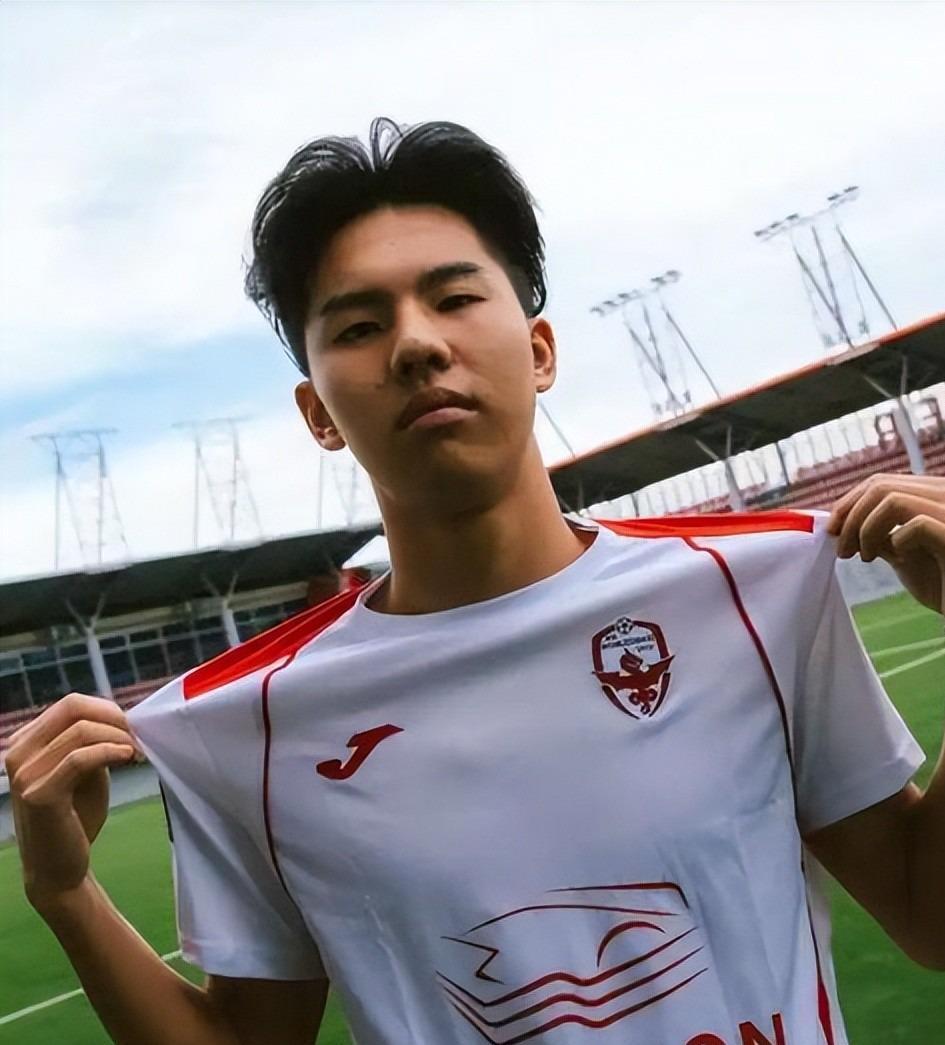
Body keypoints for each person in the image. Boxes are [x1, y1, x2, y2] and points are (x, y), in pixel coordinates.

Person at [7, 117, 945, 1045]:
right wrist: (66, 894)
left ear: (539, 351)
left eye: (453, 298)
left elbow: (926, 911)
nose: (415, 344)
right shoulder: (246, 727)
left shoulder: (752, 591)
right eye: (360, 325)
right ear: (317, 413)